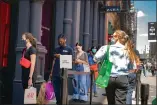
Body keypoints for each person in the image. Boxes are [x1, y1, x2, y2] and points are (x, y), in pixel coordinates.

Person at [94, 30, 138, 104]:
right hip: (122, 78)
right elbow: (132, 67)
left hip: (109, 77)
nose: (111, 37)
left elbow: (95, 58)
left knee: (111, 102)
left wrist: (104, 60)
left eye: (113, 36)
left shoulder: (106, 48)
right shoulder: (128, 50)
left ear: (117, 37)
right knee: (121, 102)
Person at [49, 34, 73, 105]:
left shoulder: (69, 49)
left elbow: (71, 60)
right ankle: (58, 102)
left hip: (64, 73)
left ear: (65, 40)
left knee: (63, 89)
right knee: (56, 89)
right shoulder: (56, 49)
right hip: (55, 72)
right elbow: (54, 60)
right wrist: (51, 71)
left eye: (61, 41)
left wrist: (61, 56)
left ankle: (63, 102)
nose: (60, 43)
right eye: (59, 41)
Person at [126, 40, 141, 104]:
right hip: (132, 73)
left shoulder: (124, 51)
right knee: (129, 92)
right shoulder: (135, 52)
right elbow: (138, 64)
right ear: (132, 45)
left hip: (124, 73)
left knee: (123, 93)